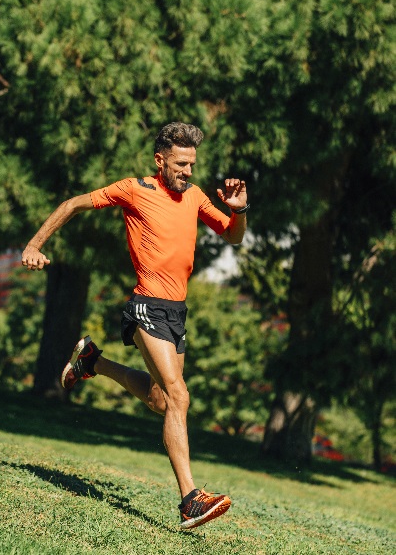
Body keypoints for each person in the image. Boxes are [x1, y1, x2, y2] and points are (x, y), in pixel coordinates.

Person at [21, 122, 248, 530]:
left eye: (192, 164)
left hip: (178, 311)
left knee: (162, 402)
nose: (188, 172)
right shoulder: (133, 189)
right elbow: (73, 204)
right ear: (160, 160)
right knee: (180, 396)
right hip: (146, 305)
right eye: (181, 164)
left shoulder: (194, 196)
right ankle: (190, 499)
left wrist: (239, 209)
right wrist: (35, 245)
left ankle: (93, 361)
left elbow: (233, 236)